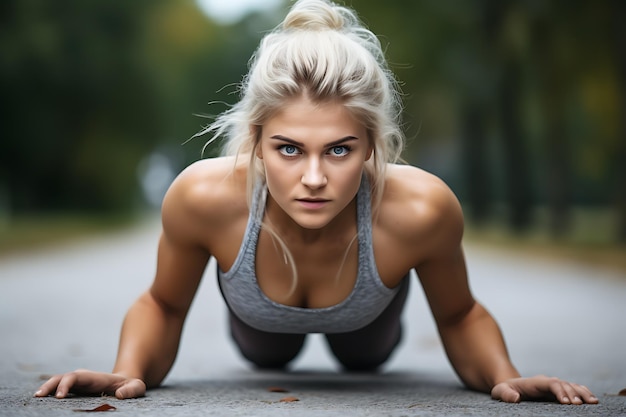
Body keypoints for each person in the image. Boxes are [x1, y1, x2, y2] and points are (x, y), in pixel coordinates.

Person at [35, 0, 598, 405]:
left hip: (369, 332)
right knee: (268, 355)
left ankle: (363, 331)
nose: (313, 178)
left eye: (338, 150)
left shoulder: (422, 209)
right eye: (287, 149)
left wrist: (506, 375)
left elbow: (458, 314)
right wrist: (125, 371)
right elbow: (163, 305)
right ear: (255, 140)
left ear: (373, 146)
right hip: (259, 333)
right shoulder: (204, 197)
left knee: (363, 358)